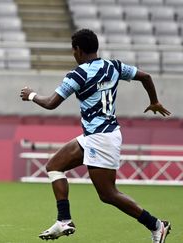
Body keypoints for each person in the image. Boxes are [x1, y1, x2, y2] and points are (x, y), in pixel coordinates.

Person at [20, 29, 171, 243]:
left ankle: (157, 225)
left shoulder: (78, 74)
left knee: (108, 194)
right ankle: (64, 220)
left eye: (73, 50)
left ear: (78, 50)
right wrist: (154, 101)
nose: (73, 54)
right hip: (98, 135)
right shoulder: (114, 66)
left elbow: (51, 103)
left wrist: (31, 95)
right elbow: (145, 76)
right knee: (54, 165)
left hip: (101, 137)